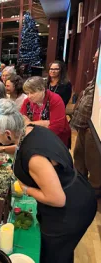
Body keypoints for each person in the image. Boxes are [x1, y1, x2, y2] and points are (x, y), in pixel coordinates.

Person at [0, 99, 96, 263]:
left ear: (8, 133)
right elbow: (22, 145)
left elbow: (57, 199)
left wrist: (26, 188)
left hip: (70, 209)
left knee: (55, 256)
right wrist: (1, 148)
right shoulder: (30, 129)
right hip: (76, 191)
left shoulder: (34, 158)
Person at [70, 48, 101, 196]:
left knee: (93, 163)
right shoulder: (96, 77)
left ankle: (94, 193)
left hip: (94, 130)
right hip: (83, 127)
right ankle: (78, 185)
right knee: (79, 157)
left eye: (97, 57)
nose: (94, 60)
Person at [20, 76, 71, 147]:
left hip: (56, 140)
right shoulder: (27, 101)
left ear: (43, 89)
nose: (29, 96)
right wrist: (44, 123)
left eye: (32, 92)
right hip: (35, 138)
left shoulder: (55, 100)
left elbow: (57, 128)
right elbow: (21, 121)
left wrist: (30, 123)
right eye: (27, 93)